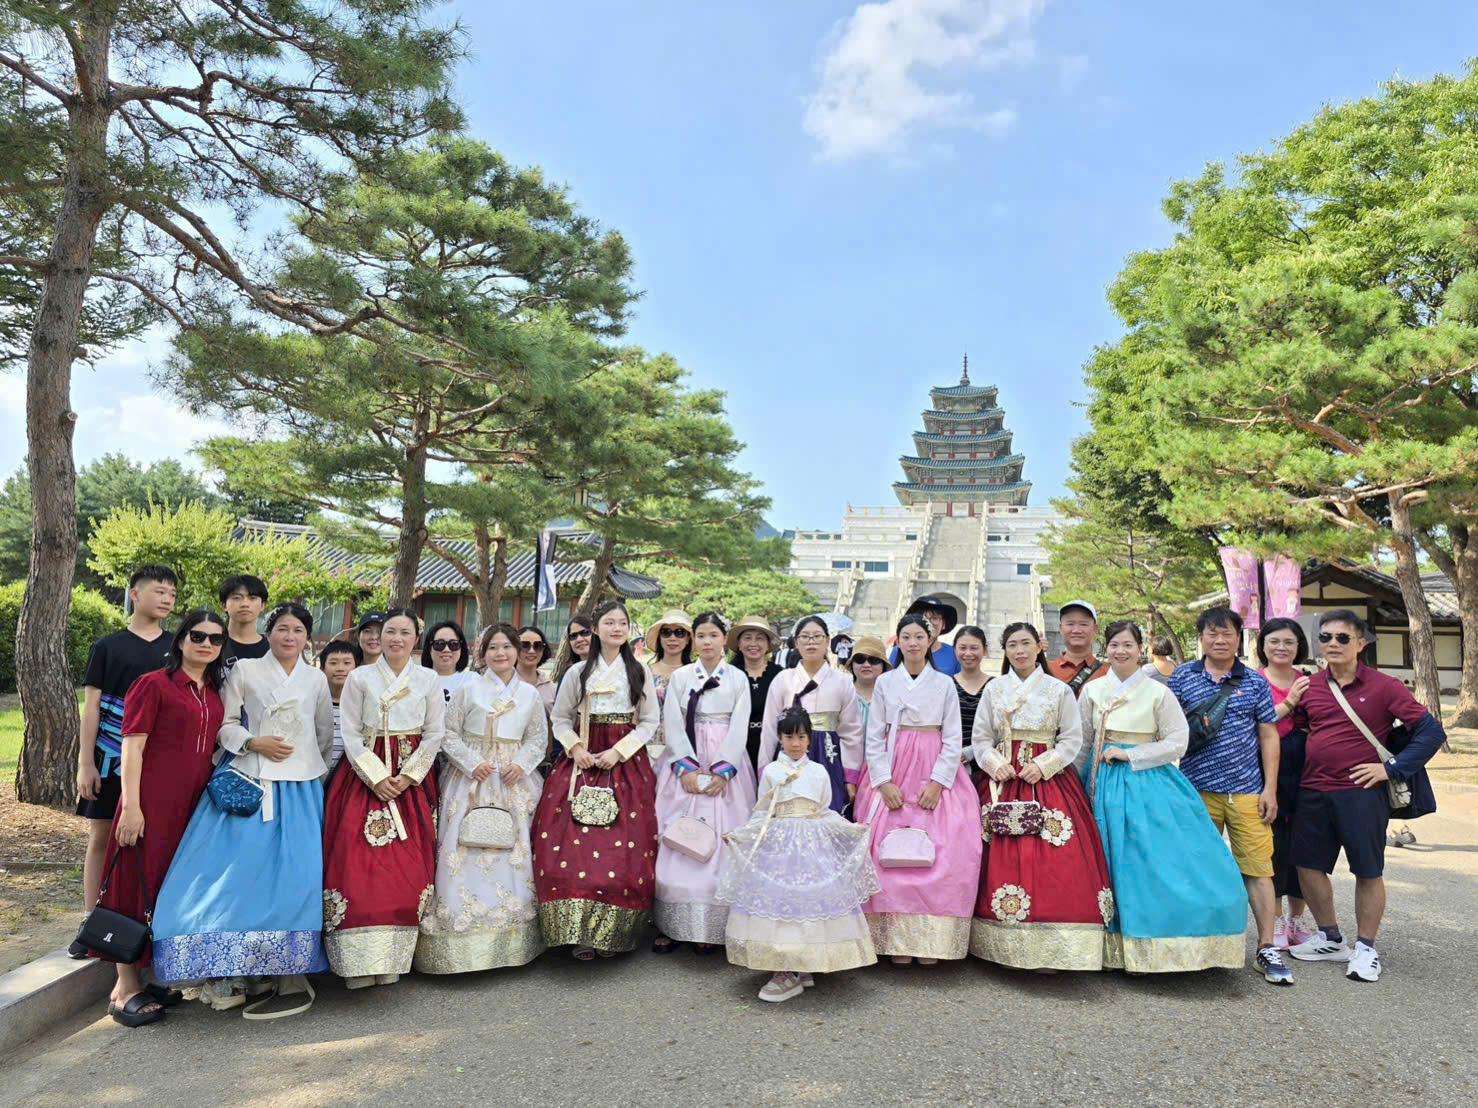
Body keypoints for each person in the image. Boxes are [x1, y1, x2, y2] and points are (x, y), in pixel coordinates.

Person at [150, 603, 335, 1016]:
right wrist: (254, 743)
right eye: (282, 628)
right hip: (251, 782)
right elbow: (226, 724)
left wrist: (308, 767)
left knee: (296, 877)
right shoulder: (246, 670)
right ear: (268, 633)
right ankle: (225, 968)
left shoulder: (316, 679)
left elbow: (323, 733)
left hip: (300, 787)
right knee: (235, 875)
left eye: (298, 630)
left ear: (307, 637)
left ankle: (284, 966)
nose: (290, 636)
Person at [1079, 621, 1247, 974]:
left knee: (1147, 858)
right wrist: (1075, 786)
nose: (1121, 651)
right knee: (1103, 855)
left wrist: (1131, 755)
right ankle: (1105, 945)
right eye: (1114, 644)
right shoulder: (1092, 691)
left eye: (1128, 644)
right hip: (1100, 781)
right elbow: (1082, 743)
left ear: (1140, 649)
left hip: (1144, 783)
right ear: (1106, 649)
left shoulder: (1158, 692)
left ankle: (1153, 943)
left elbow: (1177, 741)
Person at [1288, 610, 1446, 983]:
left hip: (1361, 794)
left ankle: (1366, 948)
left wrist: (1391, 768)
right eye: (1325, 637)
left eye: (1342, 638)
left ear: (1360, 644)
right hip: (1313, 791)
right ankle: (1330, 937)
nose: (1332, 644)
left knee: (1368, 870)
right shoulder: (1309, 687)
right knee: (1307, 866)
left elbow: (1431, 732)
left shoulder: (1384, 686)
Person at [93, 609, 228, 1027]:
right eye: (198, 635)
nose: (206, 644)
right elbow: (131, 747)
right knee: (133, 884)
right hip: (150, 801)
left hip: (192, 807)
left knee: (167, 887)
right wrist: (132, 807)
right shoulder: (152, 684)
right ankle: (123, 988)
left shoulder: (213, 692)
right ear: (181, 639)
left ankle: (151, 976)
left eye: (215, 639)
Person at [970, 623, 1111, 971]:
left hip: (1048, 780)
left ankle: (1057, 944)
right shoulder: (994, 689)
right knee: (999, 856)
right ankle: (1001, 946)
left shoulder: (1058, 690)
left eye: (1026, 643)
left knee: (1057, 859)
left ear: (1039, 647)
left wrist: (1044, 765)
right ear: (1005, 651)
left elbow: (1072, 739)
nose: (1019, 651)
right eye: (1012, 645)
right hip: (1004, 778)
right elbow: (981, 738)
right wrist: (995, 764)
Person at [716, 706, 879, 1002]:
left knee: (809, 905)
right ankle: (783, 967)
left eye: (801, 737)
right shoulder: (771, 772)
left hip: (812, 845)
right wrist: (741, 835)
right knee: (780, 905)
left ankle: (802, 964)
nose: (795, 743)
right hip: (779, 847)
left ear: (809, 739)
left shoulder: (818, 772)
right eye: (789, 736)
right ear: (779, 738)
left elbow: (824, 811)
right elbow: (762, 813)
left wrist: (851, 829)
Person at [321, 609, 445, 988]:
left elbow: (434, 733)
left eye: (405, 632)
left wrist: (408, 776)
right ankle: (355, 960)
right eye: (390, 631)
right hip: (364, 775)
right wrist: (376, 777)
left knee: (407, 866)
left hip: (410, 776)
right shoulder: (360, 677)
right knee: (355, 864)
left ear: (415, 638)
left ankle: (393, 956)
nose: (396, 639)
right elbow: (351, 732)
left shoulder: (428, 678)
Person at [417, 624, 548, 974]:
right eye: (493, 648)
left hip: (513, 779)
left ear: (517, 652)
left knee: (515, 852)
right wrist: (472, 763)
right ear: (483, 653)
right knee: (463, 849)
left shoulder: (530, 694)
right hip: (471, 777)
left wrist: (521, 764)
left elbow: (537, 738)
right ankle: (460, 934)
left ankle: (515, 937)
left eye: (507, 647)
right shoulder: (468, 688)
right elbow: (448, 733)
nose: (500, 653)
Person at [534, 600, 660, 959]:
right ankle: (577, 932)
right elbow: (560, 718)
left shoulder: (638, 671)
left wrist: (619, 752)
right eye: (609, 622)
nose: (616, 628)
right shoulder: (578, 673)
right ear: (596, 629)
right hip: (582, 760)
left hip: (624, 762)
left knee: (625, 850)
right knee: (569, 848)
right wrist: (575, 748)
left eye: (622, 623)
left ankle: (614, 933)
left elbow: (649, 721)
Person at [1168, 606, 1287, 984]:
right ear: (1201, 637)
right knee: (1195, 867)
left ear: (1239, 638)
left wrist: (1270, 788)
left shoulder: (1254, 682)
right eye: (1212, 633)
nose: (1220, 640)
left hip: (1248, 791)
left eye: (1227, 634)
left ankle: (1267, 946)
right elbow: (1165, 729)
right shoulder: (1182, 678)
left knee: (1258, 869)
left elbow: (1269, 735)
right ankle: (1199, 943)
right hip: (1195, 790)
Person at [852, 614, 980, 964]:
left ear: (930, 641)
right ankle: (893, 938)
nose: (912, 643)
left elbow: (953, 737)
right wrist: (883, 782)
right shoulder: (885, 682)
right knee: (885, 851)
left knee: (947, 846)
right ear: (898, 641)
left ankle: (931, 940)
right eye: (906, 637)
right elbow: (874, 736)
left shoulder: (944, 684)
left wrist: (938, 783)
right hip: (893, 763)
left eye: (919, 637)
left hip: (933, 763)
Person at [73, 565, 177, 955]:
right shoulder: (108, 646)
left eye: (172, 594)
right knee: (101, 837)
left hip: (160, 763)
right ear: (134, 594)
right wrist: (86, 762)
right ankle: (90, 923)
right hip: (110, 758)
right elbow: (92, 709)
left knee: (158, 842)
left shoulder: (178, 648)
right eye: (159, 591)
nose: (167, 599)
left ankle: (151, 925)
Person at [652, 612, 757, 954]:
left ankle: (713, 925)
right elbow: (672, 722)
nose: (707, 641)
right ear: (693, 640)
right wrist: (684, 767)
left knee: (724, 843)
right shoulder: (682, 677)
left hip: (726, 763)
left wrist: (724, 770)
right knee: (677, 837)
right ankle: (673, 924)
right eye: (701, 635)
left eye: (713, 635)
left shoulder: (737, 678)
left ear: (724, 639)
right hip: (687, 758)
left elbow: (740, 725)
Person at [758, 615, 864, 813]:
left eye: (817, 636)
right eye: (805, 637)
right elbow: (770, 729)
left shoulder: (842, 681)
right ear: (796, 642)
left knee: (826, 812)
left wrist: (850, 776)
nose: (811, 642)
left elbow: (851, 731)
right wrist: (765, 768)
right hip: (790, 754)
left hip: (828, 754)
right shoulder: (783, 679)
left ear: (827, 641)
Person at [1256, 618, 1316, 950]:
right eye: (1274, 641)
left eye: (1289, 642)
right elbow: (1255, 725)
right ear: (1263, 646)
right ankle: (1276, 918)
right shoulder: (1253, 681)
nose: (1281, 647)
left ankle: (1297, 918)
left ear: (1299, 647)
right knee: (1274, 846)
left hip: (1306, 772)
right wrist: (1290, 701)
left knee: (1305, 846)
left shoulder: (1311, 681)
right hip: (1266, 772)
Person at [728, 615, 782, 775]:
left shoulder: (780, 675)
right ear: (739, 644)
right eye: (747, 638)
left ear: (768, 645)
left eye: (759, 638)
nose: (753, 643)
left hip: (771, 745)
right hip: (735, 746)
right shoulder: (728, 674)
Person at [645, 608, 693, 761]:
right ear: (659, 638)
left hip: (685, 749)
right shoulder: (645, 672)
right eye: (666, 632)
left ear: (688, 639)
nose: (672, 638)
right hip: (648, 747)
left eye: (679, 632)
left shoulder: (695, 674)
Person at [317, 639, 361, 775]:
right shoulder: (314, 703)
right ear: (322, 669)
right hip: (316, 774)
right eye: (333, 663)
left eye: (347, 663)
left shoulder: (362, 705)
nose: (340, 668)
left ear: (357, 669)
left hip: (349, 777)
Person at [887, 595, 961, 675]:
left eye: (935, 618)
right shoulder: (900, 651)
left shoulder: (954, 654)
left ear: (943, 624)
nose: (929, 623)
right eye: (924, 618)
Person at [1048, 600, 1108, 693]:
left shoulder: (1108, 673)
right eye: (1070, 624)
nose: (1076, 630)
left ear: (1095, 629)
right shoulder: (1046, 671)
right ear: (1061, 628)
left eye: (1083, 624)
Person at [951, 625, 990, 766]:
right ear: (955, 650)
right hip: (952, 759)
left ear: (984, 650)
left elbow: (1000, 729)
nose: (968, 653)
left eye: (974, 648)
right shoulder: (946, 685)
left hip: (987, 762)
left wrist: (972, 752)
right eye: (962, 648)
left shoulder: (995, 686)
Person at [219, 575, 270, 665]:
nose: (245, 604)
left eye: (252, 598)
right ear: (224, 605)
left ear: (262, 605)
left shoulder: (273, 648)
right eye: (237, 598)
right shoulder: (212, 643)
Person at [847, 635, 890, 736]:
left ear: (883, 665)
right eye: (860, 659)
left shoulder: (891, 695)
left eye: (874, 660)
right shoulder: (844, 693)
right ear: (852, 664)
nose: (866, 665)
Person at [422, 619, 473, 703]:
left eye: (453, 644)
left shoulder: (472, 681)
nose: (446, 649)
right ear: (429, 648)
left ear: (461, 648)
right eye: (439, 644)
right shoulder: (417, 680)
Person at [515, 625, 558, 713]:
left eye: (537, 646)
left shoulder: (550, 686)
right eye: (525, 646)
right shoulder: (506, 682)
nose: (532, 651)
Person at [555, 615, 593, 686]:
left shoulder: (610, 669)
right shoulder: (568, 674)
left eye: (585, 632)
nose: (579, 639)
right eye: (573, 636)